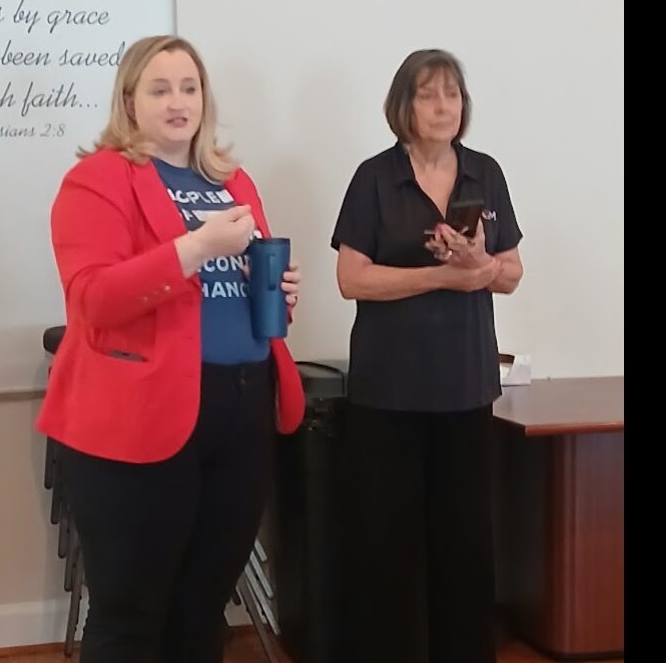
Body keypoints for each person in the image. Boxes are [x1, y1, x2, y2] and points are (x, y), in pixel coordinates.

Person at [36, 34, 305, 663]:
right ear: (130, 100)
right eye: (160, 90)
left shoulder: (233, 180)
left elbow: (246, 295)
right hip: (140, 416)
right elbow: (93, 300)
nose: (178, 102)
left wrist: (278, 291)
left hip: (242, 406)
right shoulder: (96, 179)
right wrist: (197, 248)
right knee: (130, 615)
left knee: (203, 608)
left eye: (189, 88)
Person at [331, 49, 523, 663]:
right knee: (388, 544)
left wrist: (479, 264)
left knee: (465, 543)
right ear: (403, 106)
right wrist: (441, 277)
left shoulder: (485, 174)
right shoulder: (374, 177)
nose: (444, 107)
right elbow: (351, 279)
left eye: (452, 94)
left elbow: (511, 272)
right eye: (428, 94)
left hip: (466, 386)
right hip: (388, 391)